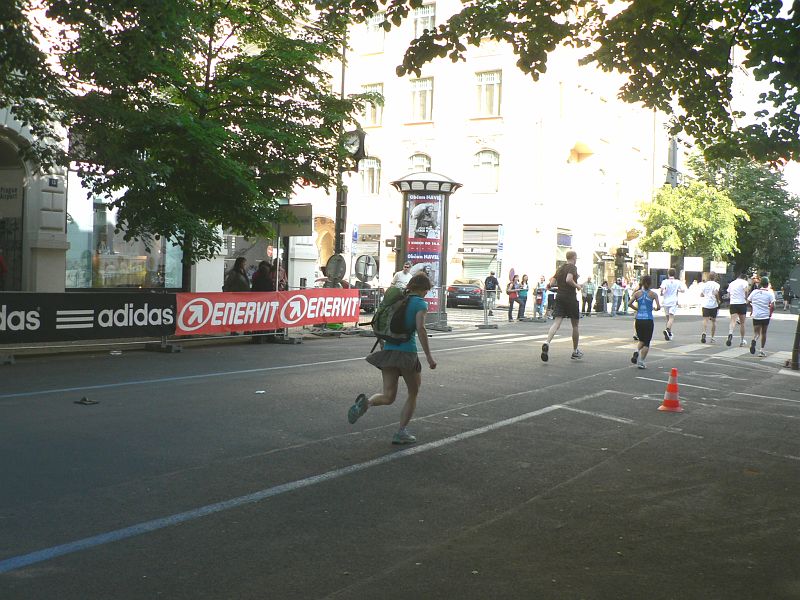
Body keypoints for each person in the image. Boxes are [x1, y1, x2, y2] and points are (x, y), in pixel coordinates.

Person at [348, 273, 437, 445]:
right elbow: (421, 329)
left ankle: (366, 403)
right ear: (423, 289)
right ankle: (401, 432)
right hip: (407, 353)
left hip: (388, 350)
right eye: (427, 290)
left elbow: (382, 323)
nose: (427, 293)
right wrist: (429, 356)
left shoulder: (397, 300)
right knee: (413, 392)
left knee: (388, 395)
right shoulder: (420, 303)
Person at [540, 251, 583, 362]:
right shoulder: (572, 267)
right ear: (574, 258)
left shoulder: (560, 268)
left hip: (559, 296)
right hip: (570, 297)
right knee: (575, 325)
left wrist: (549, 286)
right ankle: (575, 351)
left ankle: (547, 342)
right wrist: (577, 286)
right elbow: (568, 279)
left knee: (557, 322)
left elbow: (551, 282)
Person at [628, 274, 661, 369]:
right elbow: (658, 307)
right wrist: (654, 308)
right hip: (648, 319)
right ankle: (641, 361)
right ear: (650, 283)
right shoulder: (653, 294)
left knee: (641, 339)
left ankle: (636, 351)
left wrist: (637, 309)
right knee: (646, 342)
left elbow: (629, 303)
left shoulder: (637, 293)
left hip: (639, 319)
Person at [747, 276, 776, 357]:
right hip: (765, 316)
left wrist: (753, 308)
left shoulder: (754, 292)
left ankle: (754, 340)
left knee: (756, 332)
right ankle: (761, 350)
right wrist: (770, 313)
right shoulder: (770, 292)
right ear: (767, 284)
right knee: (764, 332)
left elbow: (748, 301)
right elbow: (773, 306)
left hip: (756, 315)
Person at [659, 268, 686, 340]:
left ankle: (669, 333)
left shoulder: (665, 281)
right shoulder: (678, 282)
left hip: (666, 301)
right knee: (671, 318)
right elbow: (683, 290)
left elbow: (662, 290)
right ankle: (667, 330)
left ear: (668, 274)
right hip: (673, 301)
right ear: (675, 274)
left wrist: (662, 293)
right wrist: (678, 290)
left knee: (668, 318)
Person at [726, 272, 751, 347]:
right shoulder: (744, 282)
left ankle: (730, 333)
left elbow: (729, 294)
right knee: (742, 323)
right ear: (744, 278)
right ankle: (742, 340)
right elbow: (746, 291)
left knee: (733, 321)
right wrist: (746, 298)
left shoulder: (732, 283)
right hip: (741, 303)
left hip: (733, 303)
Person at [699, 272, 721, 343]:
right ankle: (712, 337)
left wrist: (706, 295)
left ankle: (704, 332)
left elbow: (701, 294)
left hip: (705, 304)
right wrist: (718, 301)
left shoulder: (704, 285)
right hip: (713, 305)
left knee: (705, 320)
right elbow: (716, 293)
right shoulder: (716, 285)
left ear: (708, 277)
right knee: (713, 321)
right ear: (714, 277)